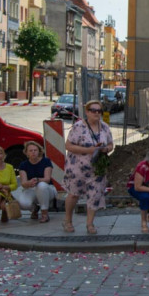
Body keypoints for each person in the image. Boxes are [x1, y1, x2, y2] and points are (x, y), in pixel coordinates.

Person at [63, 99, 113, 235]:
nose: (96, 113)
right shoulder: (79, 127)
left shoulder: (105, 127)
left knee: (95, 195)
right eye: (93, 110)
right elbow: (68, 146)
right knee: (73, 195)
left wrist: (105, 149)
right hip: (77, 167)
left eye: (99, 111)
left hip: (97, 168)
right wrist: (89, 150)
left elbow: (111, 145)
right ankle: (68, 220)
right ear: (87, 112)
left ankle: (90, 224)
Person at [13, 141, 56, 222]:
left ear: (39, 151)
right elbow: (23, 183)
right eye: (30, 150)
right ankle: (34, 209)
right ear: (26, 153)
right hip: (31, 188)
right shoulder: (23, 165)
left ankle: (44, 213)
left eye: (35, 150)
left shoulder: (46, 161)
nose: (33, 152)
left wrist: (37, 179)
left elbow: (47, 179)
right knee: (22, 203)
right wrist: (29, 183)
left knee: (41, 185)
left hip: (47, 188)